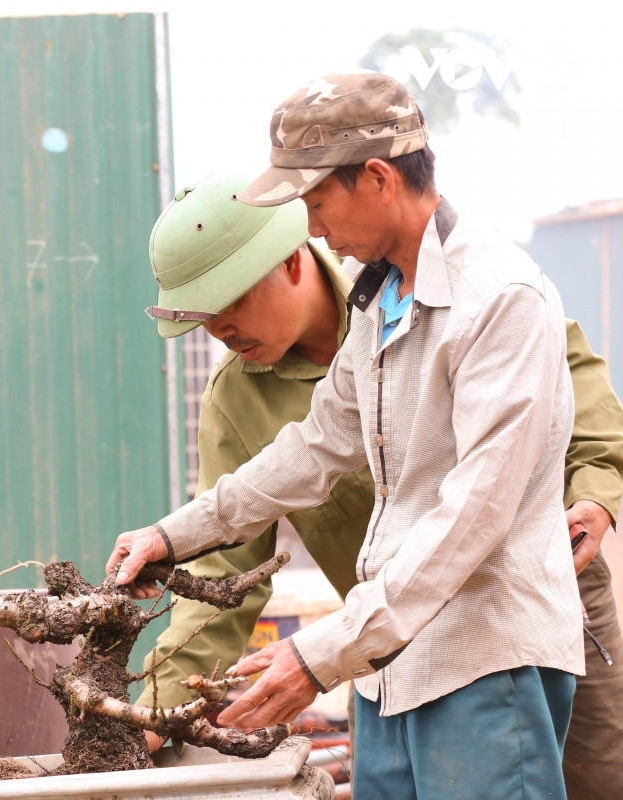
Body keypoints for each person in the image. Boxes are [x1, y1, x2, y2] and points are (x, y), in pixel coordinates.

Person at [108, 73, 588, 799]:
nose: (310, 227)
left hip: (484, 661)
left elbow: (475, 514)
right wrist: (174, 535)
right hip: (389, 667)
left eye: (316, 202)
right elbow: (317, 445)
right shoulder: (380, 300)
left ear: (378, 178)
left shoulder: (498, 299)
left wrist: (321, 653)